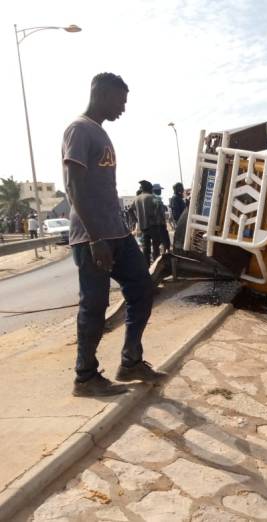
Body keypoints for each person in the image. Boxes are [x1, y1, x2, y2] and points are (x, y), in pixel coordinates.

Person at [62, 72, 165, 397]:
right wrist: (95, 238)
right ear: (104, 95)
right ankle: (85, 377)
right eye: (120, 100)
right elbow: (74, 186)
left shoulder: (100, 133)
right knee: (94, 305)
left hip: (117, 234)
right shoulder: (79, 129)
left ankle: (130, 361)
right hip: (91, 237)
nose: (123, 107)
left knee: (142, 288)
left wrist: (116, 233)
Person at [133, 180, 162, 264]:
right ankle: (157, 265)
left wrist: (137, 219)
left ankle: (147, 266)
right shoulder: (152, 197)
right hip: (154, 226)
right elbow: (159, 212)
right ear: (149, 188)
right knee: (156, 247)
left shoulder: (137, 199)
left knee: (146, 248)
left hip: (143, 227)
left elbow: (130, 211)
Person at [152, 183, 170, 253]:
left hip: (157, 224)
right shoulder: (156, 199)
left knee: (158, 242)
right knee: (165, 241)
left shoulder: (154, 199)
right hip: (160, 224)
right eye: (159, 190)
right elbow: (157, 212)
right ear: (156, 190)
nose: (160, 191)